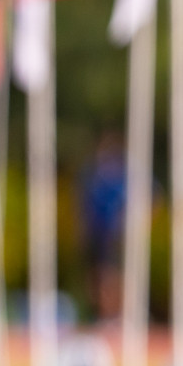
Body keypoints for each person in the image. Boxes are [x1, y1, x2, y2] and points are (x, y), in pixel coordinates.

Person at [81, 132, 127, 324]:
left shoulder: (121, 176)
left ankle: (115, 314)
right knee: (98, 276)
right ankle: (104, 314)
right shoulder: (93, 175)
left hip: (116, 234)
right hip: (97, 233)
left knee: (112, 275)